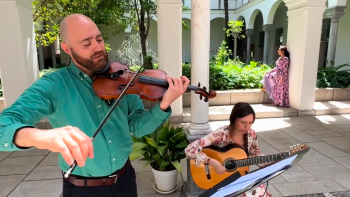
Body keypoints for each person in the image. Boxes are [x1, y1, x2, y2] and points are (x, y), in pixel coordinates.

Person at [0, 14, 189, 197]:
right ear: (67, 48)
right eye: (86, 43)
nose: (98, 47)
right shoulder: (53, 85)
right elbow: (4, 124)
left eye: (99, 39)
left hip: (125, 180)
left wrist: (164, 103)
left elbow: (138, 128)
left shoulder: (123, 77)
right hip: (83, 189)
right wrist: (38, 136)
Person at [184, 102, 271, 197]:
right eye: (243, 122)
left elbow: (255, 154)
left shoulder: (251, 134)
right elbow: (190, 149)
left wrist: (274, 161)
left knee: (261, 189)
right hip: (220, 180)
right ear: (234, 119)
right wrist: (213, 162)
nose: (247, 127)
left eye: (250, 123)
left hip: (239, 176)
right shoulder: (221, 133)